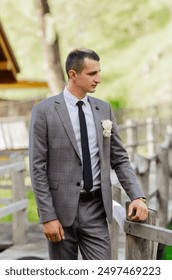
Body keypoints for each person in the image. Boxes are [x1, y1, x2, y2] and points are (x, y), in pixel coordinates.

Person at [29, 47, 148, 260]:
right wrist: (47, 217)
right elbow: (37, 168)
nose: (99, 79)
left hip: (96, 210)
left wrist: (137, 197)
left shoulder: (104, 110)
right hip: (60, 212)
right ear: (73, 75)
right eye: (92, 74)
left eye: (99, 72)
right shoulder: (44, 111)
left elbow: (119, 159)